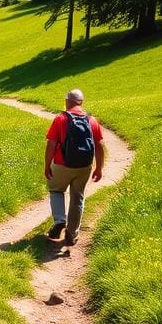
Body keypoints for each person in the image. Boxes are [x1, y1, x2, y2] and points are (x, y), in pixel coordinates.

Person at [44, 88, 104, 246]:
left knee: (56, 190)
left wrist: (47, 165)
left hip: (62, 164)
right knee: (77, 197)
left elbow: (51, 144)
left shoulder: (60, 119)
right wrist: (99, 168)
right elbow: (99, 146)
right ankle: (72, 234)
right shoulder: (92, 121)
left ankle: (60, 220)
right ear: (81, 103)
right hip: (84, 166)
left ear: (67, 101)